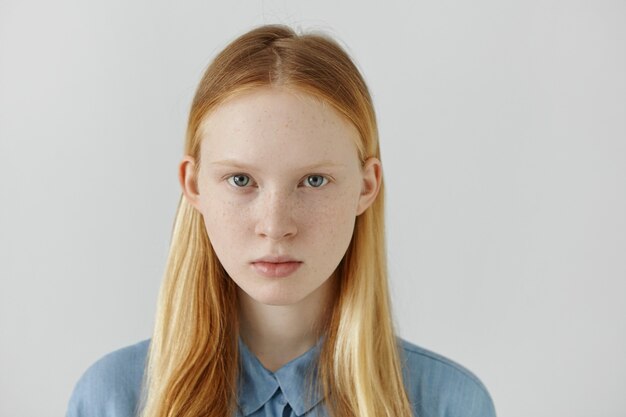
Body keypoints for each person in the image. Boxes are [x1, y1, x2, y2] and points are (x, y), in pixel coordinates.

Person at [65, 24, 497, 417]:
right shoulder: (111, 400)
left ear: (366, 187)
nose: (275, 226)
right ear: (193, 185)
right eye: (241, 179)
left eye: (313, 180)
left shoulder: (449, 404)